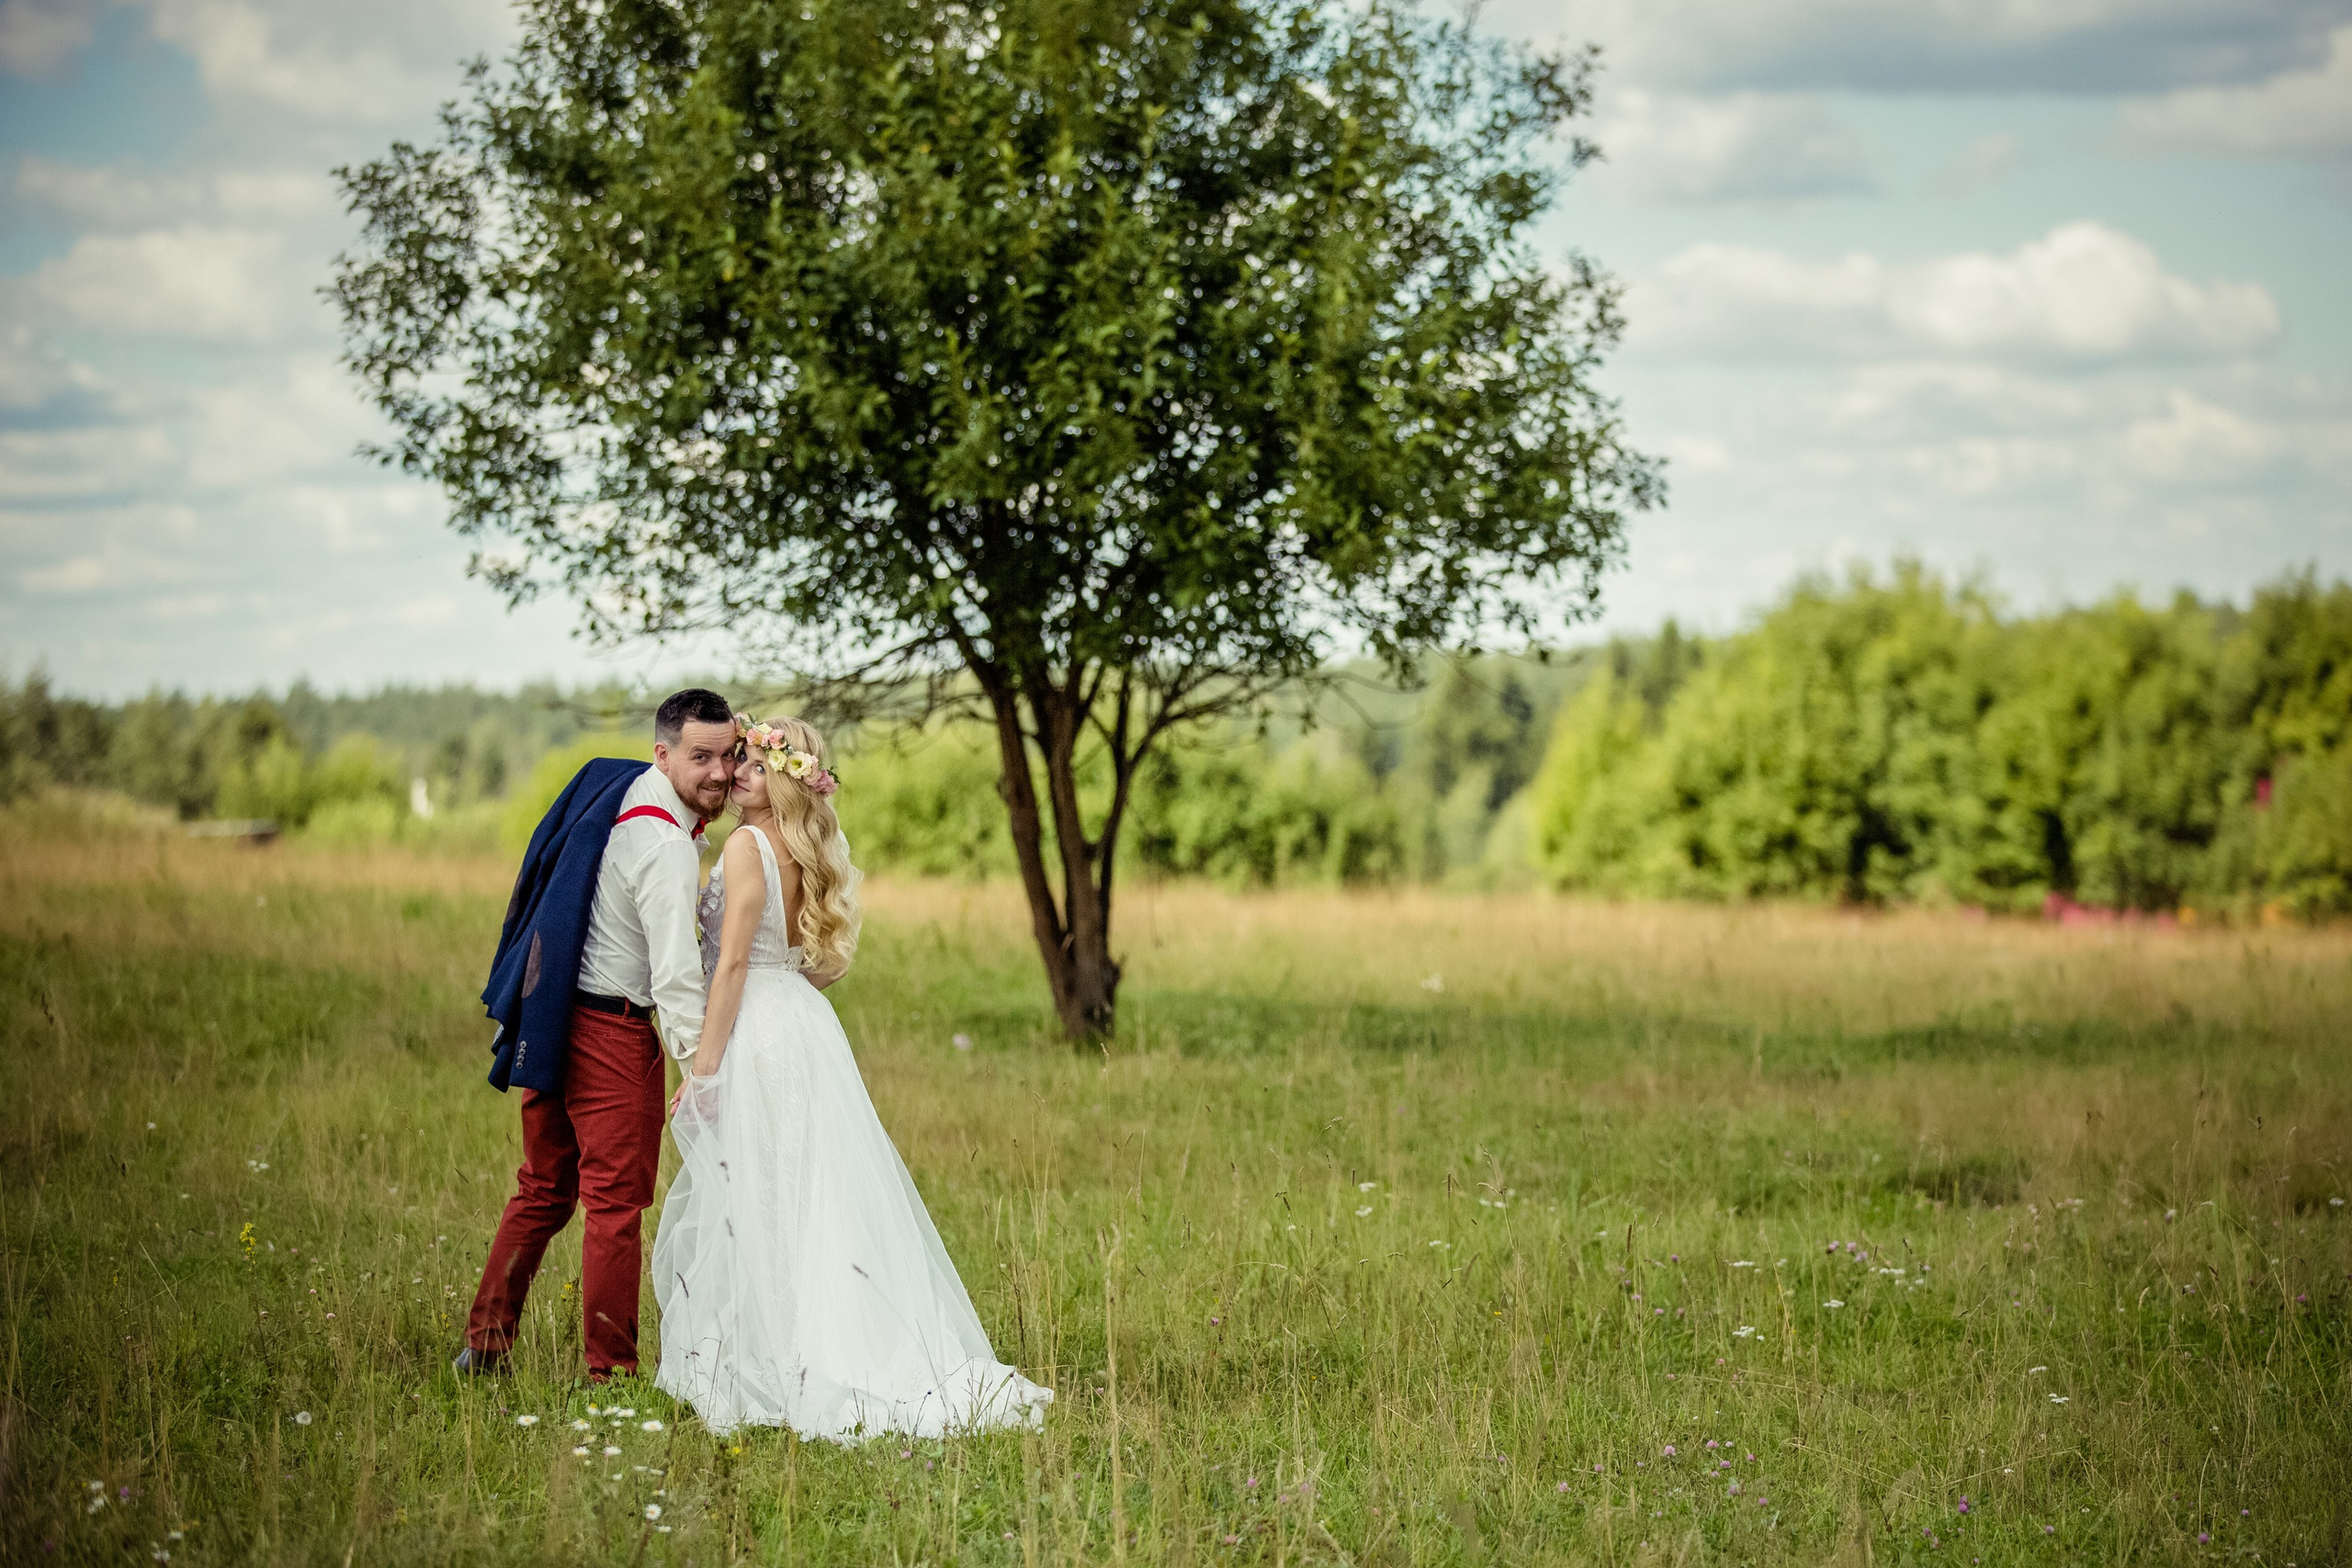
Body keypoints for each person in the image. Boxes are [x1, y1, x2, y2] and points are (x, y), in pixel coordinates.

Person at [652, 714, 1054, 1438]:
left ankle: (787, 1357)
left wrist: (702, 1070)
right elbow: (827, 962)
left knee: (768, 1188)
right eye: (736, 758)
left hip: (757, 1028)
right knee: (808, 1188)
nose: (737, 771)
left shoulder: (746, 845)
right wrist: (786, 996)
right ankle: (819, 1338)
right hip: (802, 1024)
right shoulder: (808, 847)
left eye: (752, 762)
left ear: (782, 779)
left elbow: (735, 964)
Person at [458, 688, 739, 1382]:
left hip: (552, 1014)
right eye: (700, 756)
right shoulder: (668, 846)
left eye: (729, 756)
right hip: (611, 1033)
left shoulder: (619, 789)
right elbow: (674, 978)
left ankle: (484, 1345)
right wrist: (698, 1072)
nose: (718, 773)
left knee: (543, 1186)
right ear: (664, 753)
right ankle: (607, 1374)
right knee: (615, 1206)